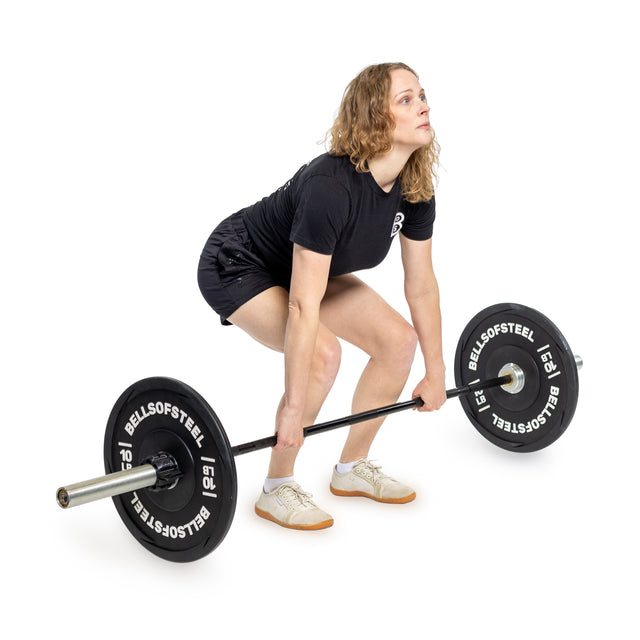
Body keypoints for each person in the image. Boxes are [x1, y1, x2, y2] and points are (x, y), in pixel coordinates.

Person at [198, 62, 447, 531]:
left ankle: (351, 470)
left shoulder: (414, 189)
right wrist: (294, 409)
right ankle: (277, 487)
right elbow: (301, 306)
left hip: (307, 269)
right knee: (321, 353)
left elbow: (422, 284)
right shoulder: (330, 187)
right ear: (375, 116)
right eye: (407, 99)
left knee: (398, 342)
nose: (423, 105)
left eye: (422, 95)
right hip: (239, 262)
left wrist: (435, 372)